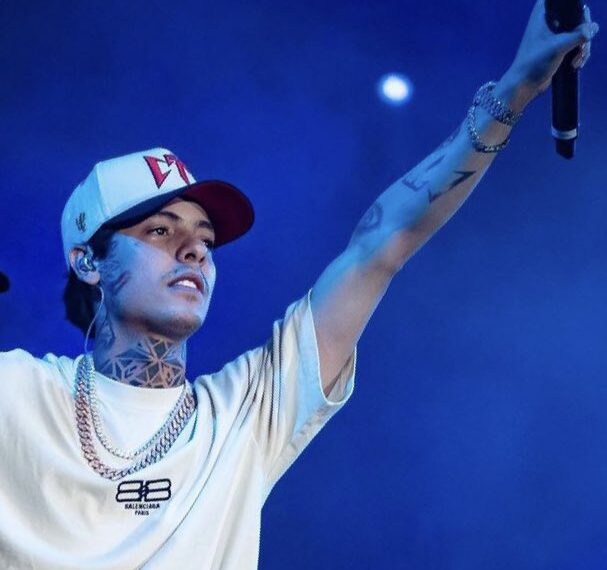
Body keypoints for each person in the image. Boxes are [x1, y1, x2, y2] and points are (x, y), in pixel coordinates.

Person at [0, 2, 598, 569]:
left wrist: (516, 87)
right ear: (88, 261)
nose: (195, 250)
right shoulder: (19, 393)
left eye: (206, 239)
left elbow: (381, 245)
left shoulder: (245, 412)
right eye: (160, 230)